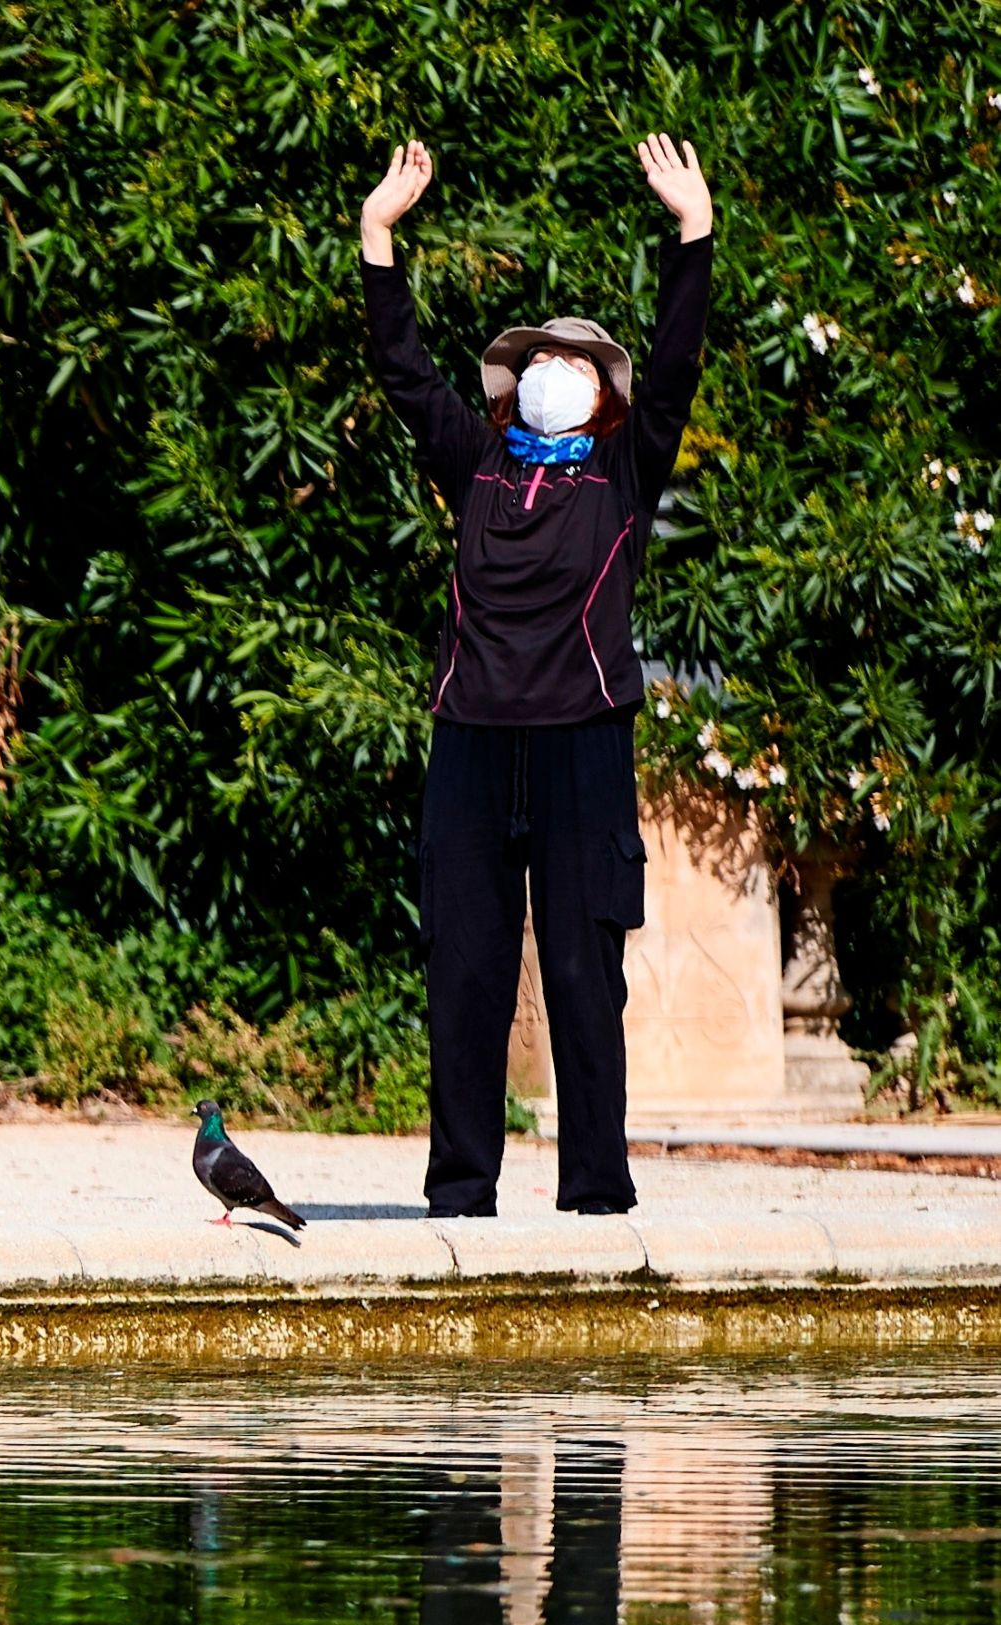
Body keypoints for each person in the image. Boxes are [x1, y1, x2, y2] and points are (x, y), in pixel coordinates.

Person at [360, 136, 716, 1217]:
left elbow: (673, 373)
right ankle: (460, 1192)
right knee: (463, 972)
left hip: (581, 744)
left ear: (596, 393)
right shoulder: (475, 460)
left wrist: (693, 234)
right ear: (517, 390)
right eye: (540, 362)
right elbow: (404, 373)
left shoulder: (620, 470)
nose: (554, 373)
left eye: (575, 363)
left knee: (579, 976)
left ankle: (596, 1198)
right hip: (470, 742)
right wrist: (377, 239)